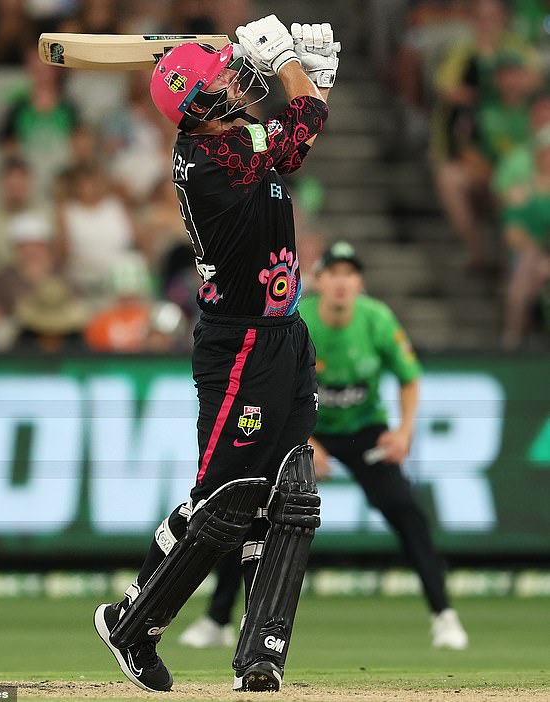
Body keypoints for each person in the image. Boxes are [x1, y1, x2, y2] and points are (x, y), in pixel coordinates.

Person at [92, 15, 340, 694]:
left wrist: (306, 79)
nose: (236, 79)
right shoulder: (212, 159)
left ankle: (261, 654)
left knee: (290, 495)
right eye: (225, 79)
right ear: (199, 107)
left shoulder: (231, 139)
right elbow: (300, 126)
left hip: (284, 332)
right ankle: (130, 621)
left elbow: (293, 144)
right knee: (225, 501)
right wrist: (295, 68)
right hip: (241, 346)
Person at [179, 241, 469, 653]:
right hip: (301, 424)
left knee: (405, 511)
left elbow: (410, 376)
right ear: (318, 280)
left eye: (349, 274)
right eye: (333, 273)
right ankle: (217, 619)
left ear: (359, 282)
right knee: (251, 508)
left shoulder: (377, 320)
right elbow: (280, 390)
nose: (341, 282)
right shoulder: (300, 321)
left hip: (362, 429)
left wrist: (404, 432)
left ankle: (444, 616)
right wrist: (308, 441)